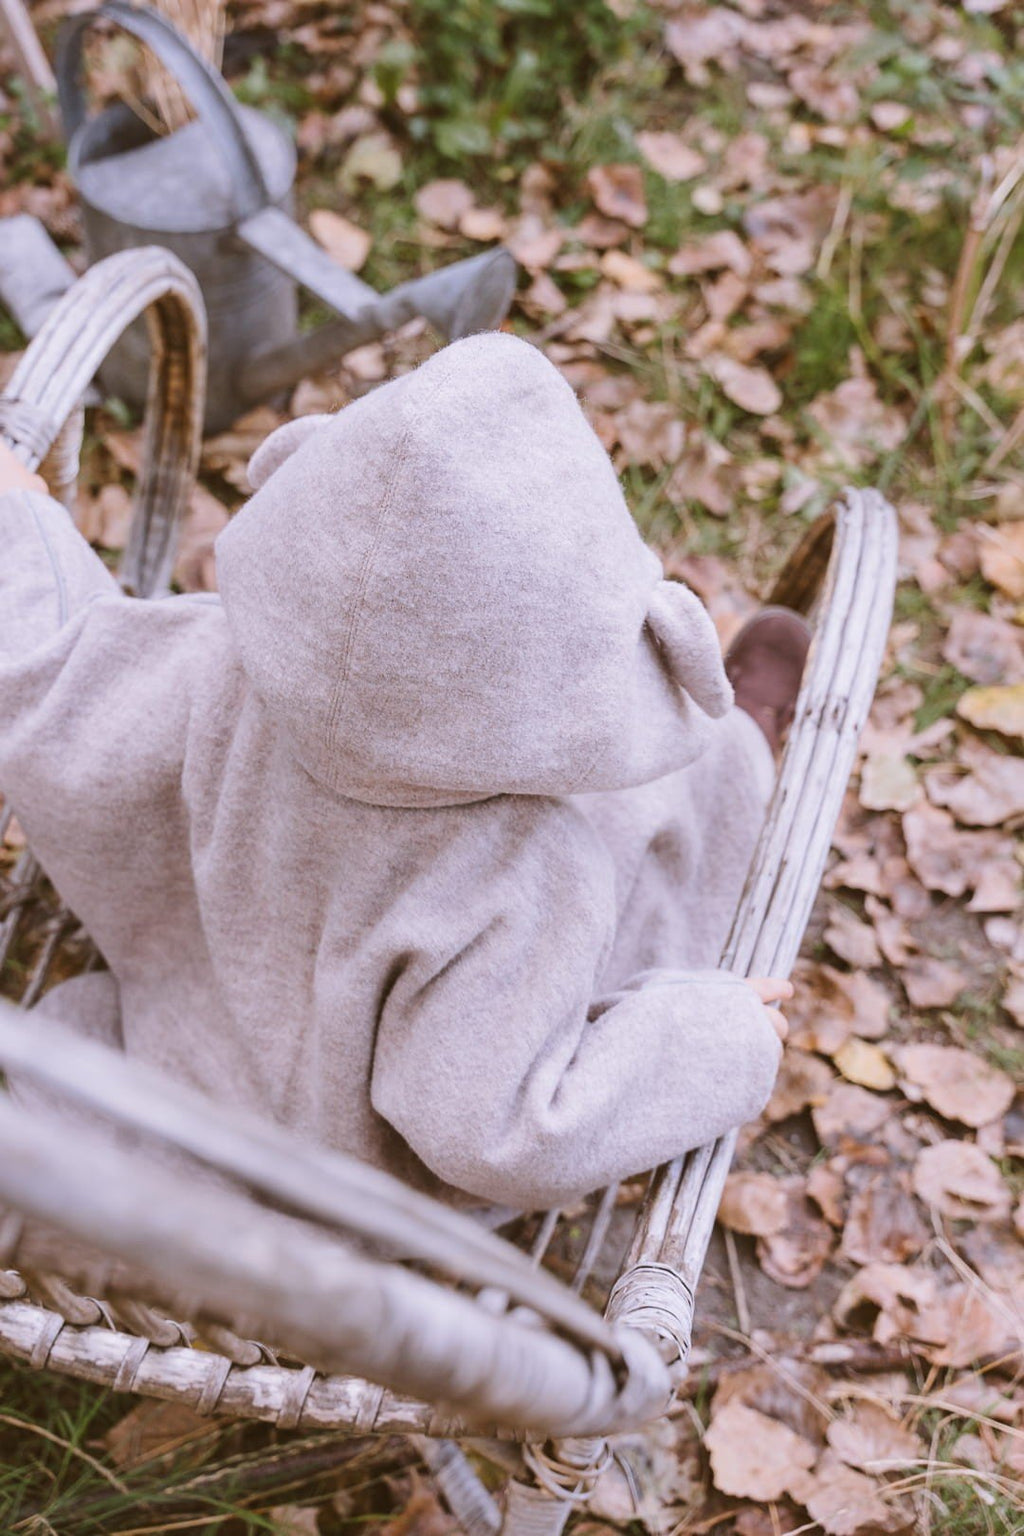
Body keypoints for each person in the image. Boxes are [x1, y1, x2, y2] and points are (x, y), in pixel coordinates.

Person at [0, 333, 806, 1213]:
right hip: (359, 1181)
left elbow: (46, 675)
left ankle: (735, 763)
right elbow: (506, 1134)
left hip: (190, 1060)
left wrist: (19, 516)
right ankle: (743, 761)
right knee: (655, 811)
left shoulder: (196, 663)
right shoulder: (519, 876)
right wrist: (707, 1043)